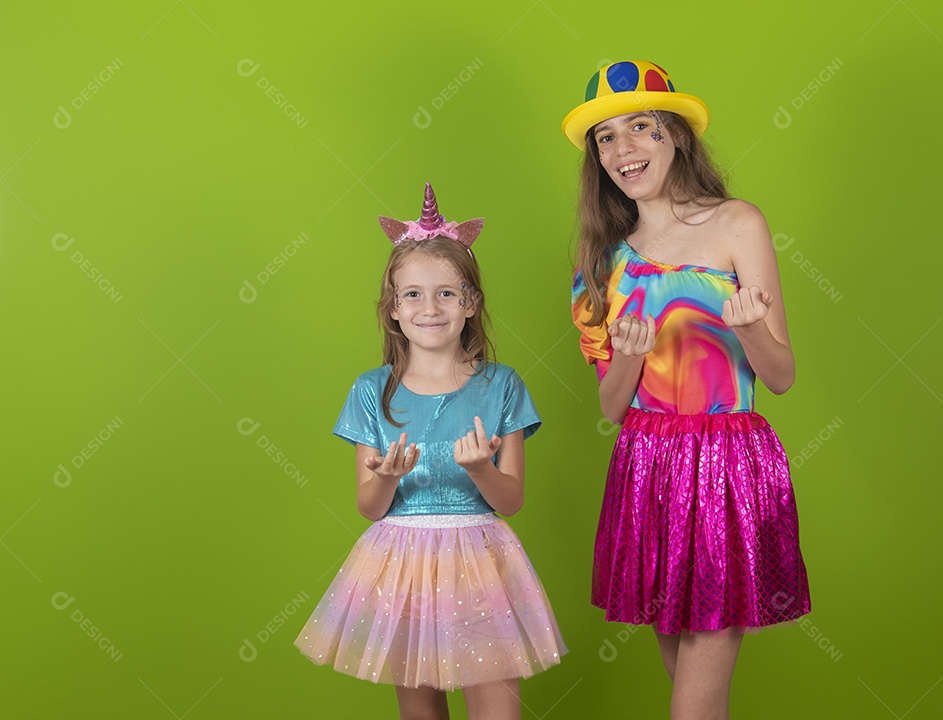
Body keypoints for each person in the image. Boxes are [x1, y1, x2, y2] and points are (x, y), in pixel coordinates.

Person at [562, 61, 811, 719]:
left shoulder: (738, 225)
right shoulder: (600, 263)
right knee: (693, 694)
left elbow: (781, 377)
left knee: (692, 707)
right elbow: (613, 405)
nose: (625, 149)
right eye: (607, 138)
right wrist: (633, 360)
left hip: (728, 464)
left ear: (673, 134)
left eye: (640, 128)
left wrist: (751, 328)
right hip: (648, 466)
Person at [295, 183, 565, 720]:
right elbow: (369, 506)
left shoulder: (502, 385)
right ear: (393, 309)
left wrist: (480, 468)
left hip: (482, 564)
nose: (430, 307)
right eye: (413, 294)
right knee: (420, 711)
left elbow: (510, 501)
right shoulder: (371, 392)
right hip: (401, 566)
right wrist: (389, 477)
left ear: (471, 304)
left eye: (447, 292)